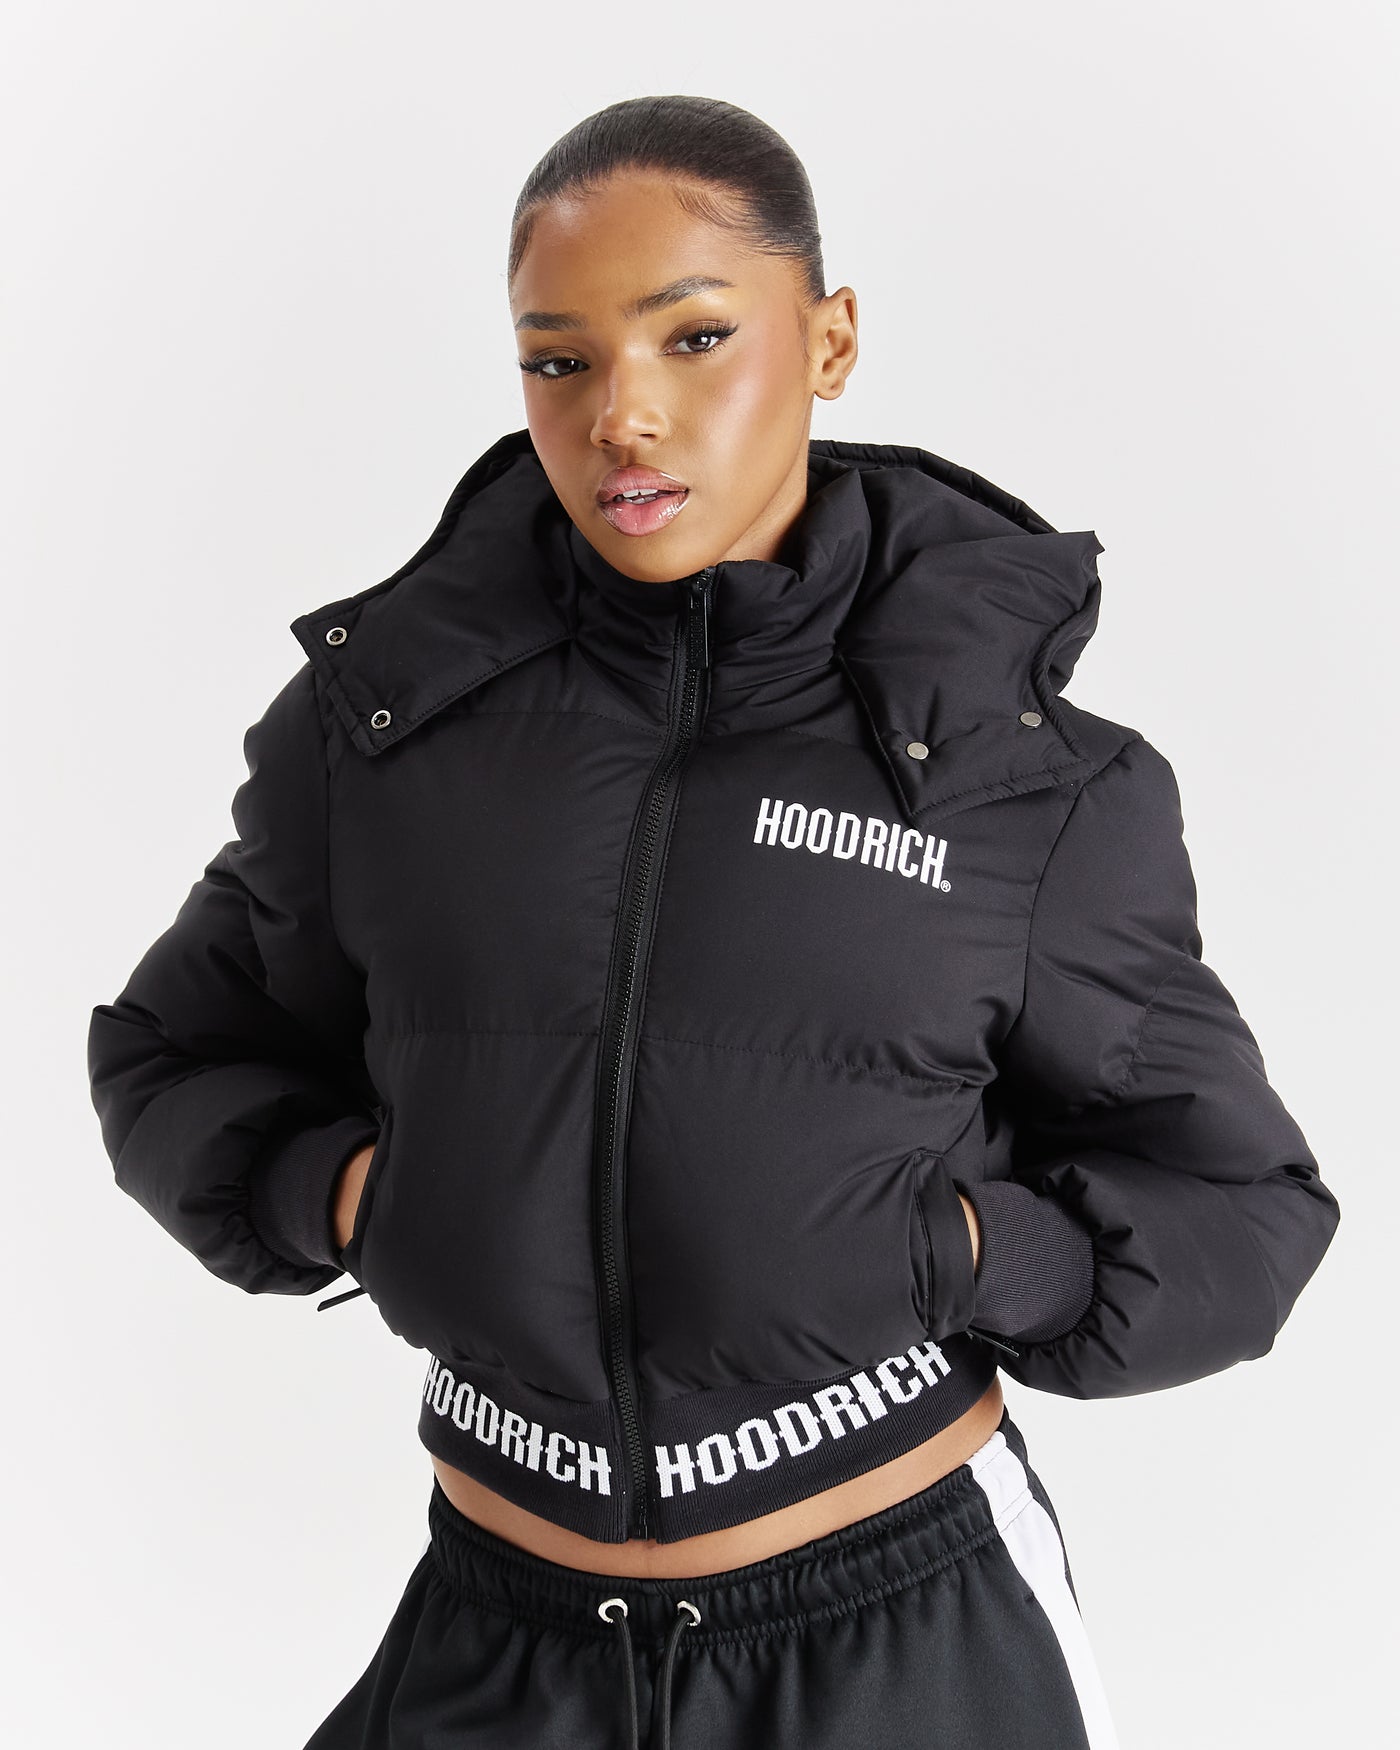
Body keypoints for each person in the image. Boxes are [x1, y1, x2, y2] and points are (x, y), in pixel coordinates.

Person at [86, 94, 1340, 1749]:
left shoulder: (1019, 775)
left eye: (693, 337)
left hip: (896, 1645)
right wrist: (347, 1194)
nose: (623, 413)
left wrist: (961, 1253)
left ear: (829, 341)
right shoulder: (381, 736)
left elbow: (1243, 1214)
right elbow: (172, 1052)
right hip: (495, 1632)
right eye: (559, 359)